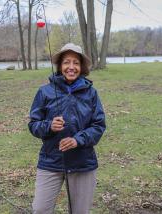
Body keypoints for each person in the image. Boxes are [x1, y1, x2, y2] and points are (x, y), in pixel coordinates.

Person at [28, 43, 106, 214]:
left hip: (83, 163)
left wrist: (77, 140)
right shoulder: (44, 92)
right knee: (40, 209)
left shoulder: (91, 93)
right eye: (66, 62)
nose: (71, 67)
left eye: (76, 63)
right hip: (51, 161)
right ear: (60, 66)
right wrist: (49, 126)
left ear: (82, 67)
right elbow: (33, 124)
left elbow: (98, 126)